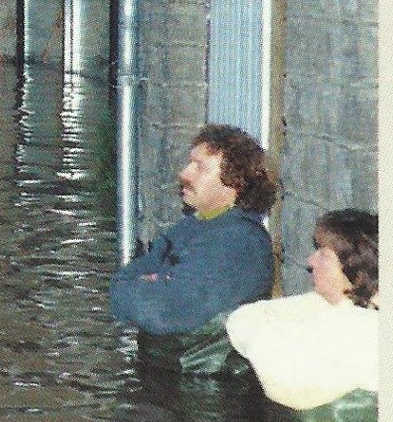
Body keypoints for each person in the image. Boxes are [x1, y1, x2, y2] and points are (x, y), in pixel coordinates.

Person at [110, 123, 277, 338]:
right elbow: (123, 282)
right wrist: (155, 284)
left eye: (200, 167)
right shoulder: (192, 226)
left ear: (235, 182)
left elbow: (163, 312)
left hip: (205, 369)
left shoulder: (237, 241)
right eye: (190, 163)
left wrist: (148, 284)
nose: (184, 173)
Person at [226, 209, 379, 413]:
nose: (310, 262)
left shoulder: (363, 327)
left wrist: (269, 336)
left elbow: (287, 386)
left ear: (353, 266)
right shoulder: (337, 307)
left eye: (323, 255)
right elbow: (242, 318)